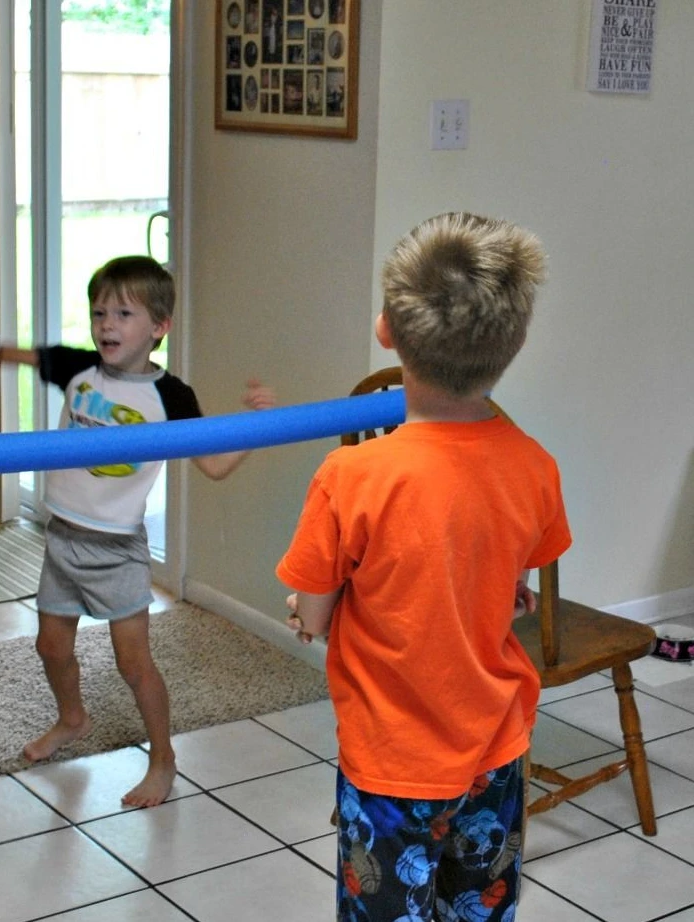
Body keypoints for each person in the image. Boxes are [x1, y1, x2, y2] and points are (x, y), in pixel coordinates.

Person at [276, 212, 571, 921]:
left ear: (386, 329)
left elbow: (313, 611)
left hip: (391, 763)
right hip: (495, 750)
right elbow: (507, 587)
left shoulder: (351, 476)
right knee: (477, 909)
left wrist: (304, 613)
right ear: (517, 342)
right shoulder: (533, 466)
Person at [0, 255, 275, 808]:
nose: (107, 324)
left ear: (158, 327)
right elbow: (0, 350)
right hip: (62, 539)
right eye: (100, 311)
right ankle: (72, 718)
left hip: (117, 549)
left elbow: (216, 465)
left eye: (124, 313)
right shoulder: (78, 368)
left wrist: (259, 424)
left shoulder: (169, 397)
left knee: (134, 664)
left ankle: (164, 759)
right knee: (50, 646)